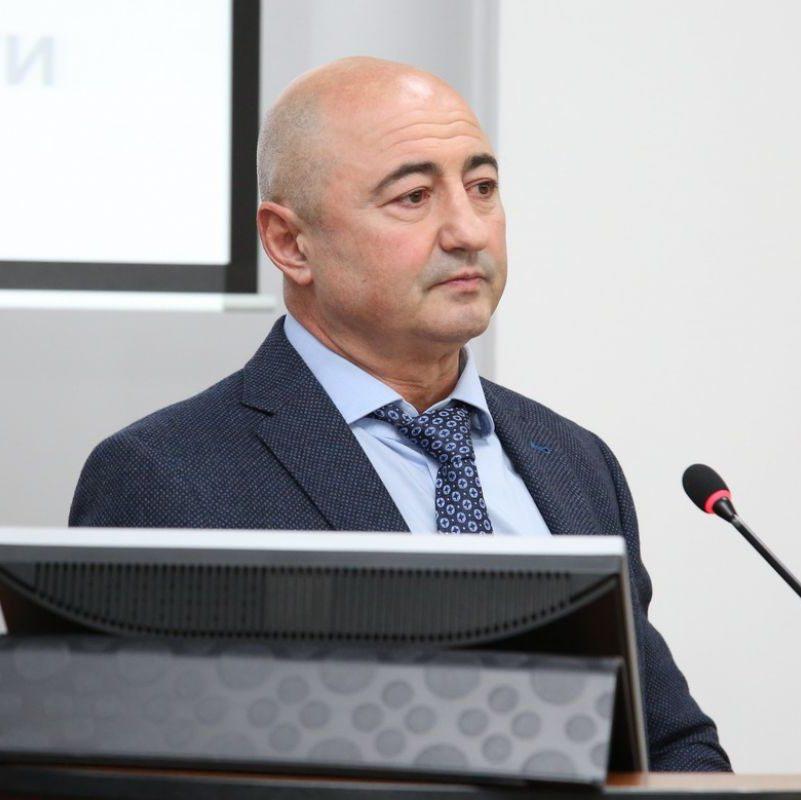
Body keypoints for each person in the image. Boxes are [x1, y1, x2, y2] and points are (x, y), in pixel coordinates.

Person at [70, 57, 730, 771]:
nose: (467, 231)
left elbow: (671, 744)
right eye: (413, 197)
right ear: (290, 243)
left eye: (482, 188)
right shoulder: (168, 478)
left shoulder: (574, 462)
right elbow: (131, 773)